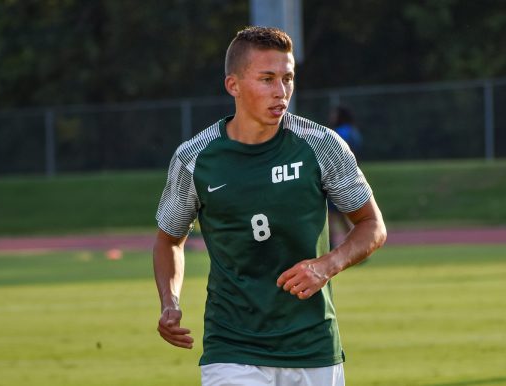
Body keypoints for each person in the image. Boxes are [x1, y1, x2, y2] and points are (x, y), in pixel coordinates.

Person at [153, 26, 387, 386]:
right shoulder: (194, 158)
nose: (281, 92)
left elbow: (372, 224)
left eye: (287, 78)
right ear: (233, 85)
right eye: (267, 79)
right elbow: (169, 239)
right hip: (232, 347)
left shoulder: (321, 144)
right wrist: (170, 302)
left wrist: (327, 265)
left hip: (313, 347)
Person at [328, 106, 364, 248]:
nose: (331, 116)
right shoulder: (354, 132)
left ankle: (330, 245)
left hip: (337, 177)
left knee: (329, 214)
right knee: (343, 214)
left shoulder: (339, 133)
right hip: (352, 176)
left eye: (334, 114)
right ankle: (359, 244)